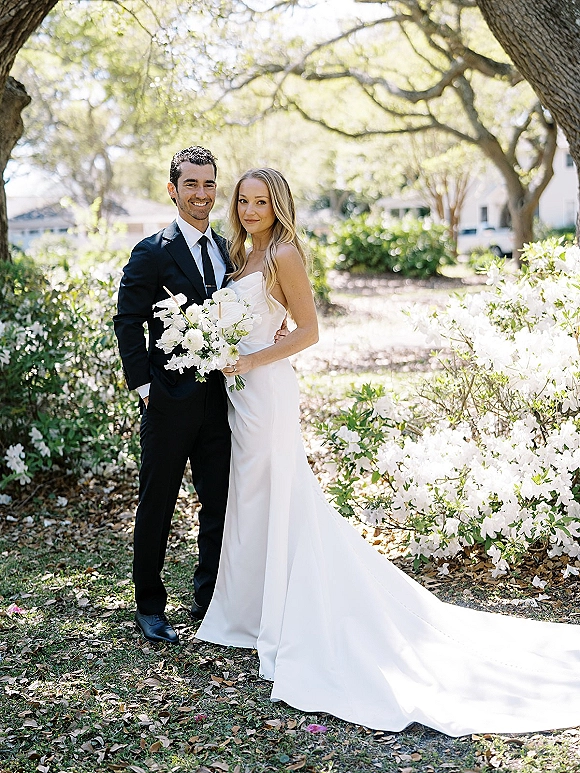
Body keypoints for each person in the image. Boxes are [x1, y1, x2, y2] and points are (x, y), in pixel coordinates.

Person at [195, 167, 580, 737]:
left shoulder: (283, 254)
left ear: (279, 204)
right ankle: (247, 611)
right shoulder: (239, 254)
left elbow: (309, 331)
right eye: (244, 200)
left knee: (277, 494)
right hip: (240, 398)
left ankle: (278, 612)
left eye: (261, 201)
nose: (250, 209)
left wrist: (252, 360)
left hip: (268, 393)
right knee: (249, 499)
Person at [114, 146, 233, 645]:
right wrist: (144, 387)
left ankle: (208, 600)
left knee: (219, 502)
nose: (201, 195)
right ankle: (149, 606)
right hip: (166, 400)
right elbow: (127, 320)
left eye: (208, 185)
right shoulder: (152, 251)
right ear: (173, 190)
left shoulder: (229, 248)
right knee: (157, 503)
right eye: (191, 185)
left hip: (221, 401)